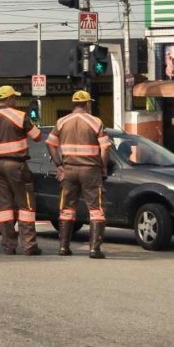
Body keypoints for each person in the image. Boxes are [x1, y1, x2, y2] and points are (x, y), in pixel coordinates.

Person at [48, 90, 111, 258]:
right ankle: (94, 249)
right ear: (87, 104)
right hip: (90, 171)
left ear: (73, 104)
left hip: (69, 170)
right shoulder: (95, 122)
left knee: (67, 208)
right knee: (96, 209)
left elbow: (50, 143)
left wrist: (59, 165)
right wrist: (102, 167)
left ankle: (63, 247)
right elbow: (105, 147)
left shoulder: (61, 122)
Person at [0, 85, 41, 255]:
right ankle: (29, 245)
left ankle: (9, 245)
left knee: (4, 206)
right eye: (14, 98)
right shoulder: (20, 116)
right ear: (10, 99)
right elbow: (37, 136)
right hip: (16, 165)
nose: (15, 100)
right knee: (26, 204)